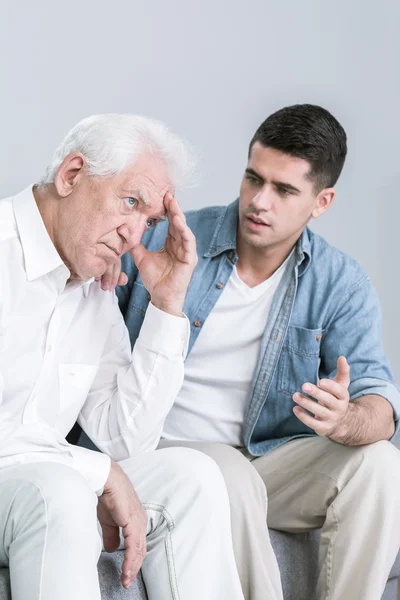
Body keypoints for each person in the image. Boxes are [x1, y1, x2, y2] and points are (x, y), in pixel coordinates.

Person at [119, 104, 400, 600]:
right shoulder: (170, 239)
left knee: (380, 464)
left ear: (322, 200)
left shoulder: (339, 282)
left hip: (262, 462)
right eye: (254, 178)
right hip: (159, 452)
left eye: (284, 190)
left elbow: (380, 403)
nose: (259, 201)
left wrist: (345, 421)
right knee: (227, 474)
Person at [0, 114, 245, 600]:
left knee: (192, 477)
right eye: (130, 202)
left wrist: (167, 305)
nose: (134, 235)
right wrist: (97, 472)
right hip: (34, 488)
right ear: (72, 176)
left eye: (150, 220)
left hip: (37, 478)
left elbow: (124, 438)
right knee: (62, 492)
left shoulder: (94, 287)